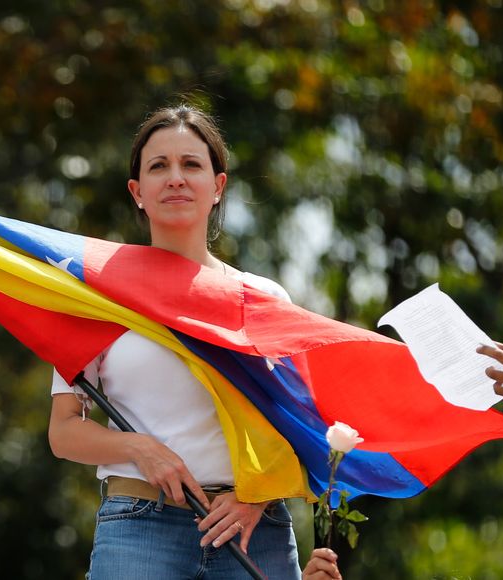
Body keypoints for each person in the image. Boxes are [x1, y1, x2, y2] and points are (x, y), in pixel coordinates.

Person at [48, 104, 308, 578]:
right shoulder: (97, 297)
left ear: (218, 186)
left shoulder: (264, 299)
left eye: (191, 164)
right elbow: (63, 432)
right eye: (158, 166)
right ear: (137, 192)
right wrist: (139, 447)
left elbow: (305, 425)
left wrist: (258, 495)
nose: (176, 178)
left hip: (254, 529)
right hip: (139, 530)